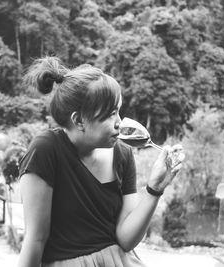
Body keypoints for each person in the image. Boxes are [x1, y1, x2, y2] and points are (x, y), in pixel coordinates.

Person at [17, 57, 184, 267]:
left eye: (119, 111)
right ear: (79, 120)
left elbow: (126, 239)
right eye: (110, 114)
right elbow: (35, 240)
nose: (119, 124)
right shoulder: (46, 150)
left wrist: (155, 189)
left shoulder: (123, 154)